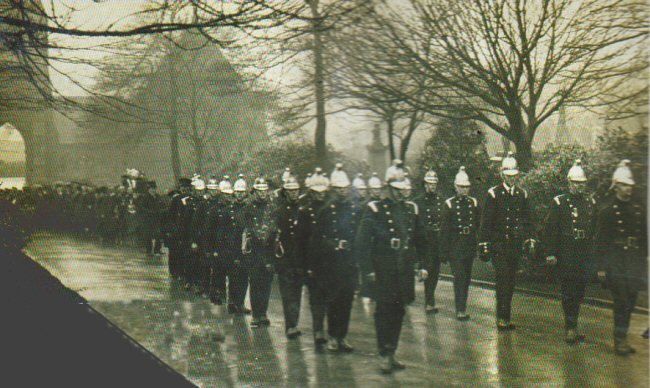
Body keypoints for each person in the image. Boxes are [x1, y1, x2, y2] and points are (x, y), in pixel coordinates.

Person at [356, 164, 427, 373]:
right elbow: (362, 242)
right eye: (395, 188)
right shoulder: (374, 209)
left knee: (398, 311)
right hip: (382, 270)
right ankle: (384, 353)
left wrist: (422, 265)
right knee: (384, 311)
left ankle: (392, 351)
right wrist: (368, 268)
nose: (399, 192)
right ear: (387, 188)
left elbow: (421, 240)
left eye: (401, 188)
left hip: (402, 270)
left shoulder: (410, 209)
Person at [306, 163, 360, 353]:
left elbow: (358, 236)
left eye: (345, 188)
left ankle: (342, 336)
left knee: (347, 300)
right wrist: (314, 265)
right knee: (333, 300)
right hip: (331, 262)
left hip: (349, 261)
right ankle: (333, 337)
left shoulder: (354, 210)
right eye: (339, 188)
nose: (343, 191)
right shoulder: (326, 211)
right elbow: (316, 240)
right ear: (334, 190)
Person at [478, 152, 536, 331]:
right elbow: (486, 223)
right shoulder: (493, 194)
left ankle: (505, 316)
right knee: (503, 278)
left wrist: (529, 238)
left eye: (514, 176)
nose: (512, 179)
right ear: (502, 175)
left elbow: (528, 219)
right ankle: (502, 317)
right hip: (498, 245)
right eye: (508, 176)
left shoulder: (522, 194)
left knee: (510, 281)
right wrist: (484, 245)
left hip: (514, 245)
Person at [595, 159, 647, 355]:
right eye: (625, 185)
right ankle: (619, 340)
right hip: (617, 263)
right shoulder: (608, 211)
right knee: (621, 301)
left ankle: (623, 337)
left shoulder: (637, 210)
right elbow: (601, 241)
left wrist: (645, 260)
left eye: (630, 185)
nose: (628, 189)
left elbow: (643, 238)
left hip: (634, 262)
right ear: (617, 186)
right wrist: (601, 267)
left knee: (631, 300)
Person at [542, 159, 597, 344]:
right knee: (568, 292)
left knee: (579, 292)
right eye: (575, 183)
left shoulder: (590, 202)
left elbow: (594, 229)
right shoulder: (560, 202)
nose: (579, 187)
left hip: (583, 253)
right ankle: (570, 328)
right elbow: (550, 229)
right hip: (567, 252)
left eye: (582, 183)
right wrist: (550, 252)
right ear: (569, 183)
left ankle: (574, 326)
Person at [440, 167, 479, 321]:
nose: (464, 190)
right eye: (461, 187)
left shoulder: (473, 203)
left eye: (466, 187)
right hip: (455, 246)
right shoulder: (449, 204)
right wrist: (443, 252)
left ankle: (462, 306)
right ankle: (460, 309)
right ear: (455, 187)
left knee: (467, 277)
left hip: (468, 244)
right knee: (459, 277)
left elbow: (479, 224)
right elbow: (444, 231)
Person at [297, 169, 330, 346]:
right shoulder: (305, 212)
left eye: (322, 192)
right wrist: (303, 265)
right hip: (313, 260)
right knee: (316, 297)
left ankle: (333, 331)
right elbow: (301, 240)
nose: (320, 196)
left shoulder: (332, 209)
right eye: (316, 193)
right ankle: (318, 329)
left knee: (331, 297)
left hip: (331, 259)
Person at [272, 175, 305, 338]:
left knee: (297, 293)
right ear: (285, 193)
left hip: (299, 260)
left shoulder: (303, 210)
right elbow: (273, 237)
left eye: (296, 191)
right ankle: (290, 325)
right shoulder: (279, 212)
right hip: (284, 259)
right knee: (287, 294)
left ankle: (295, 323)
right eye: (290, 191)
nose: (293, 194)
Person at [240, 177, 275, 327]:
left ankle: (263, 314)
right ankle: (256, 315)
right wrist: (252, 231)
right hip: (254, 250)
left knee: (266, 284)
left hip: (268, 250)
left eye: (265, 191)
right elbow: (241, 221)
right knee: (255, 283)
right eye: (260, 191)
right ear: (255, 192)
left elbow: (276, 223)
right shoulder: (248, 207)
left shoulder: (272, 207)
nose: (262, 194)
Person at [412, 168, 445, 314]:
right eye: (429, 184)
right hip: (424, 240)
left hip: (437, 239)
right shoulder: (417, 202)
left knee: (436, 271)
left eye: (434, 184)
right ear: (425, 184)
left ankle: (430, 299)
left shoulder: (440, 201)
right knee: (428, 269)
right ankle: (429, 301)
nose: (432, 186)